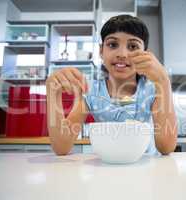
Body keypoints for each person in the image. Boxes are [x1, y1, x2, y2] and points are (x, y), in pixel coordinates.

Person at [46, 15, 177, 156]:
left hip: (145, 167)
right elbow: (61, 147)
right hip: (106, 168)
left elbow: (166, 147)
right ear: (101, 51)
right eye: (113, 45)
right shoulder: (91, 91)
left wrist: (164, 81)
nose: (122, 54)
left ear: (145, 54)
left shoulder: (152, 89)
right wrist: (53, 92)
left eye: (132, 46)